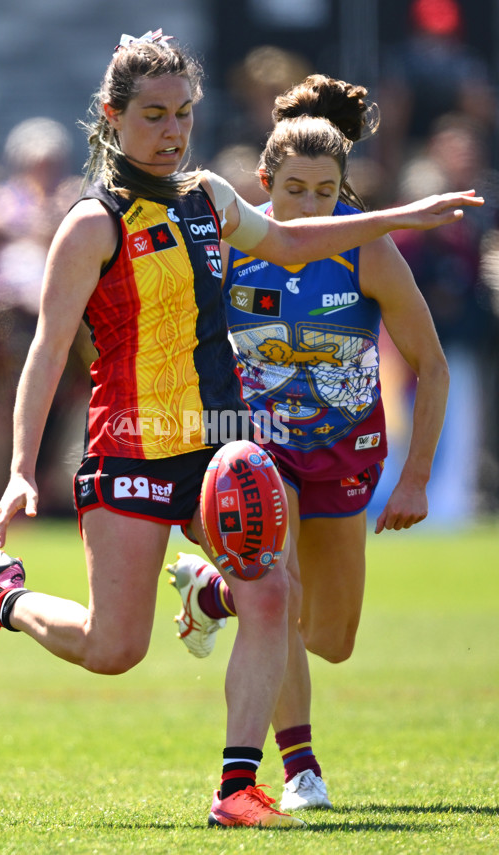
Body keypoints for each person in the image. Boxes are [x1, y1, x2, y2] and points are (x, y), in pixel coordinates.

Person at [0, 31, 482, 829]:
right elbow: (47, 352)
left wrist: (403, 216)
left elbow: (291, 240)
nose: (172, 130)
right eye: (153, 115)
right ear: (114, 118)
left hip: (220, 441)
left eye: (183, 113)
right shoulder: (92, 223)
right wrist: (20, 465)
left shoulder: (210, 198)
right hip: (128, 443)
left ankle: (237, 785)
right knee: (114, 648)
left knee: (271, 589)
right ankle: (1, 599)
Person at [167, 73, 453, 812]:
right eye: (294, 188)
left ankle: (216, 593)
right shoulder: (232, 245)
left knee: (331, 636)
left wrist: (416, 479)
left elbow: (432, 365)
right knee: (281, 588)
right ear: (265, 182)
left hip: (346, 455)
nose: (308, 206)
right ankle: (299, 769)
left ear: (343, 188)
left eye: (324, 191)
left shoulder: (369, 251)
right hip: (259, 446)